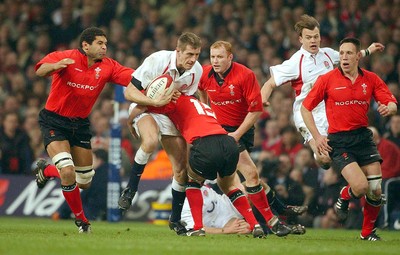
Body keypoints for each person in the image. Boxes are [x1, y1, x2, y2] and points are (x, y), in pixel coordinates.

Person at [33, 27, 134, 233]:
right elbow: (40, 70)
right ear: (85, 45)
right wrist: (55, 66)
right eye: (99, 43)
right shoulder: (66, 57)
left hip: (79, 125)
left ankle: (46, 170)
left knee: (84, 181)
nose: (104, 47)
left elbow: (134, 77)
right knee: (68, 170)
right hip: (54, 121)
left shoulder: (108, 67)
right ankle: (82, 221)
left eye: (105, 43)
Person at [301, 37, 398, 241]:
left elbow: (391, 102)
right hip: (340, 140)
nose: (344, 57)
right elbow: (305, 108)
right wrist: (317, 136)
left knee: (375, 190)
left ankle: (367, 233)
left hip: (363, 138)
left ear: (357, 57)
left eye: (349, 53)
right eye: (342, 53)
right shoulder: (327, 80)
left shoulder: (370, 78)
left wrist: (389, 108)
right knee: (361, 187)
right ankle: (345, 195)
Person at [261, 14, 385, 169]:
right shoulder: (295, 62)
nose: (313, 40)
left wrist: (369, 50)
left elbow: (350, 57)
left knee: (348, 147)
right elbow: (270, 83)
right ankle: (319, 156)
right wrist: (262, 100)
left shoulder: (327, 53)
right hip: (307, 113)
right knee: (325, 159)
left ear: (320, 37)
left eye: (316, 36)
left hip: (330, 110)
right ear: (300, 39)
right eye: (308, 37)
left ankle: (351, 183)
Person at [198, 40, 291, 236]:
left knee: (234, 181)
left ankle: (265, 219)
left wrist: (237, 134)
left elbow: (256, 110)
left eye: (220, 57)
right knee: (251, 174)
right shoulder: (205, 74)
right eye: (213, 57)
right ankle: (272, 222)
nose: (215, 61)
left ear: (230, 57)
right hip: (220, 132)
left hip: (241, 131)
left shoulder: (245, 75)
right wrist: (206, 114)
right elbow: (202, 92)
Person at [138, 95, 265, 238]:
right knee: (230, 187)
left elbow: (145, 108)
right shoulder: (202, 105)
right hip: (229, 143)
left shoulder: (172, 103)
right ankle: (256, 225)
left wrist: (133, 119)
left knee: (192, 182)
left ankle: (197, 228)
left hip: (206, 145)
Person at [120, 32, 203, 236]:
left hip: (169, 113)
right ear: (178, 51)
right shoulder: (157, 60)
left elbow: (187, 99)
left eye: (197, 55)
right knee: (149, 142)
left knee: (181, 170)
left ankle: (175, 220)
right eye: (189, 54)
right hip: (146, 107)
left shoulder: (196, 71)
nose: (193, 59)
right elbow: (129, 92)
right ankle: (130, 189)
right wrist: (153, 104)